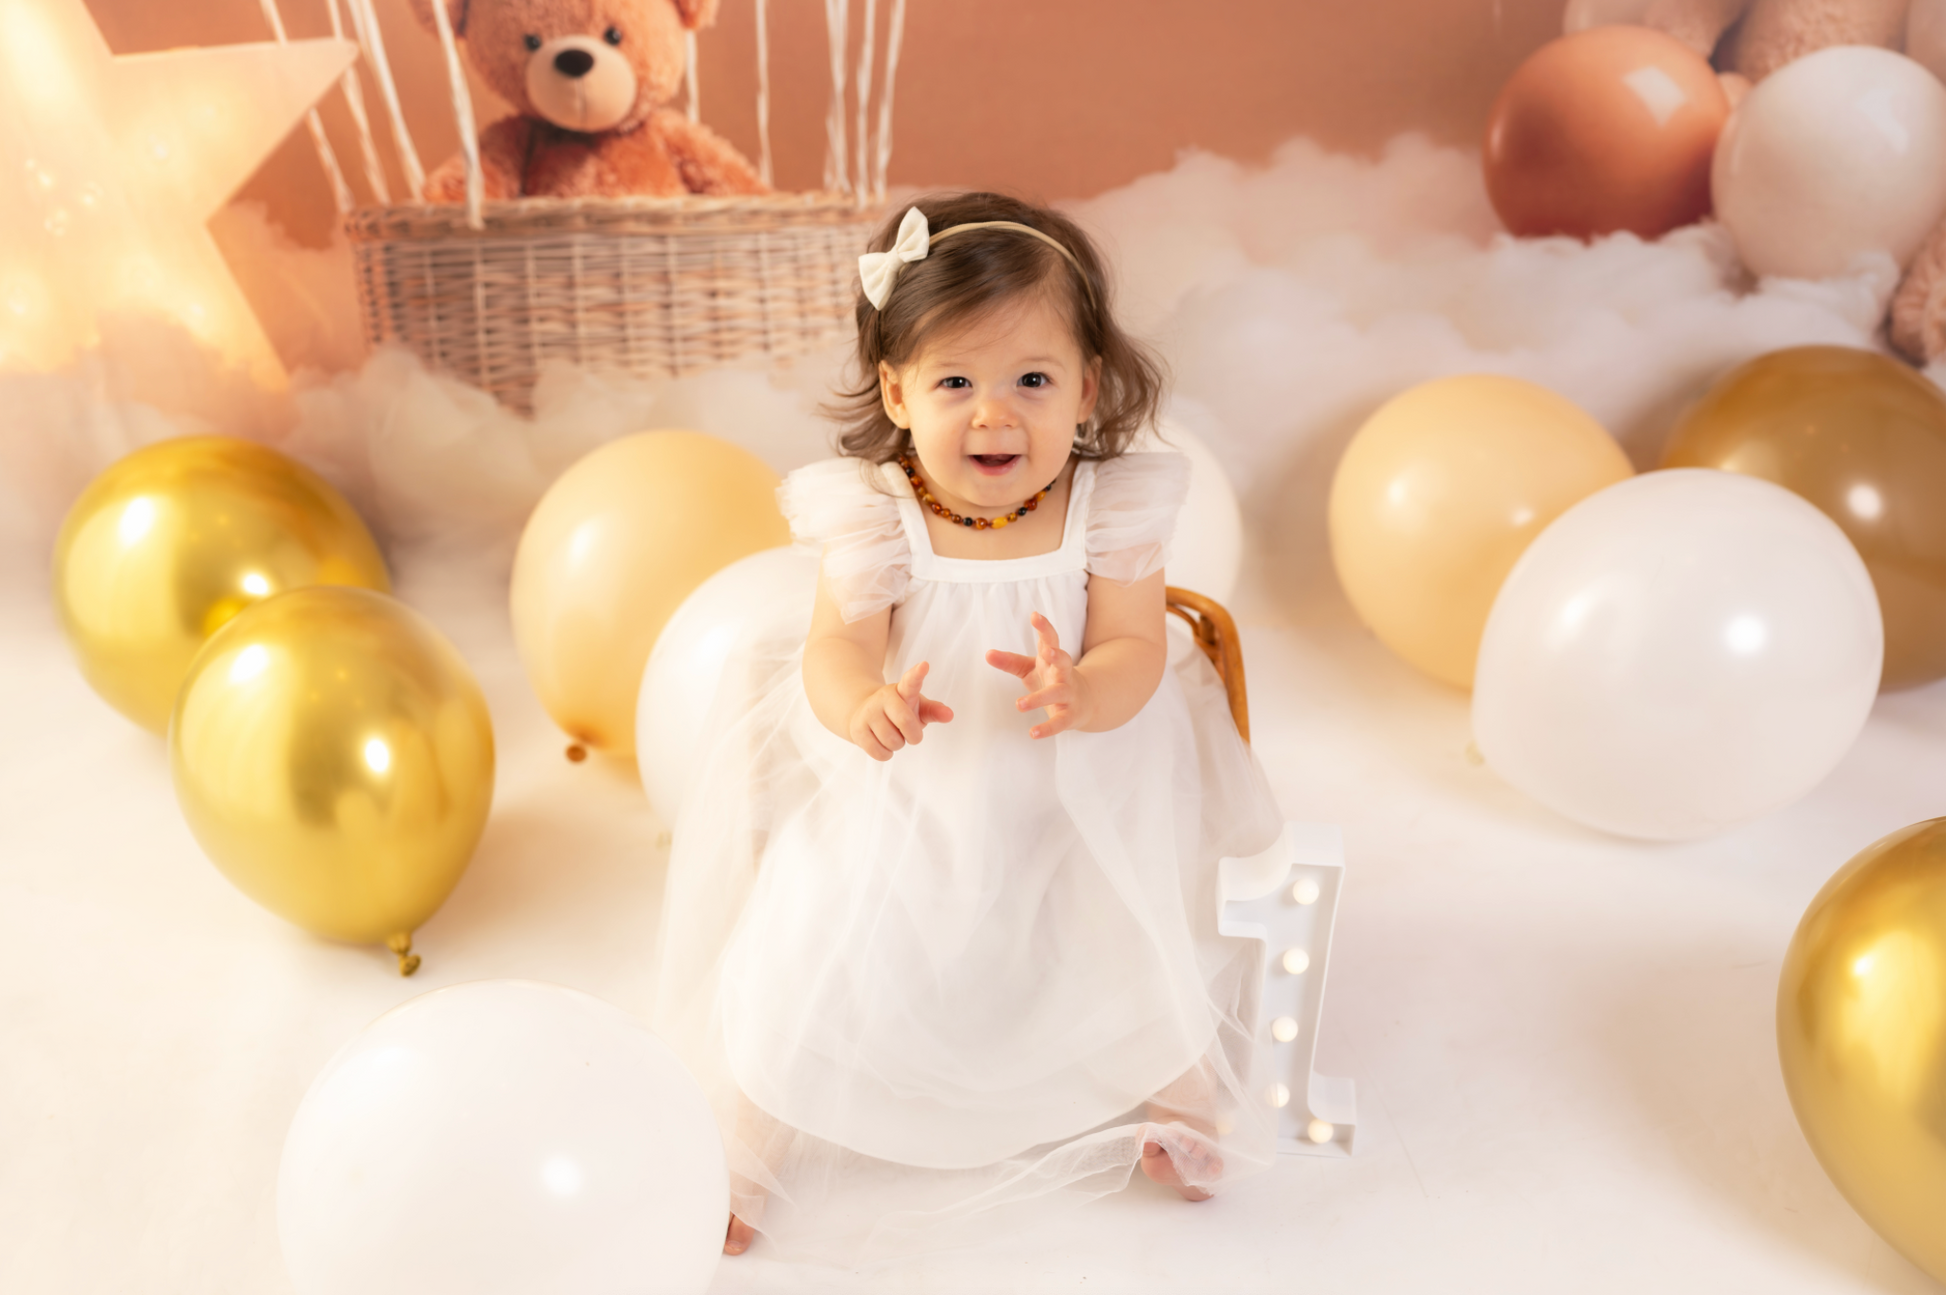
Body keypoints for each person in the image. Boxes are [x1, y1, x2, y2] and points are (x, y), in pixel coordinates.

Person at [652, 191, 1286, 1265]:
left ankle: (1176, 1095)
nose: (993, 417)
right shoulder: (875, 515)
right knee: (821, 921)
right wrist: (861, 701)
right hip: (912, 791)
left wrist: (1085, 688)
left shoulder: (1107, 509)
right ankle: (748, 1136)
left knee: (1120, 921)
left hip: (1074, 789)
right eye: (955, 382)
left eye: (1030, 380)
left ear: (1087, 386)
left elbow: (1137, 644)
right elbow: (835, 649)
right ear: (896, 391)